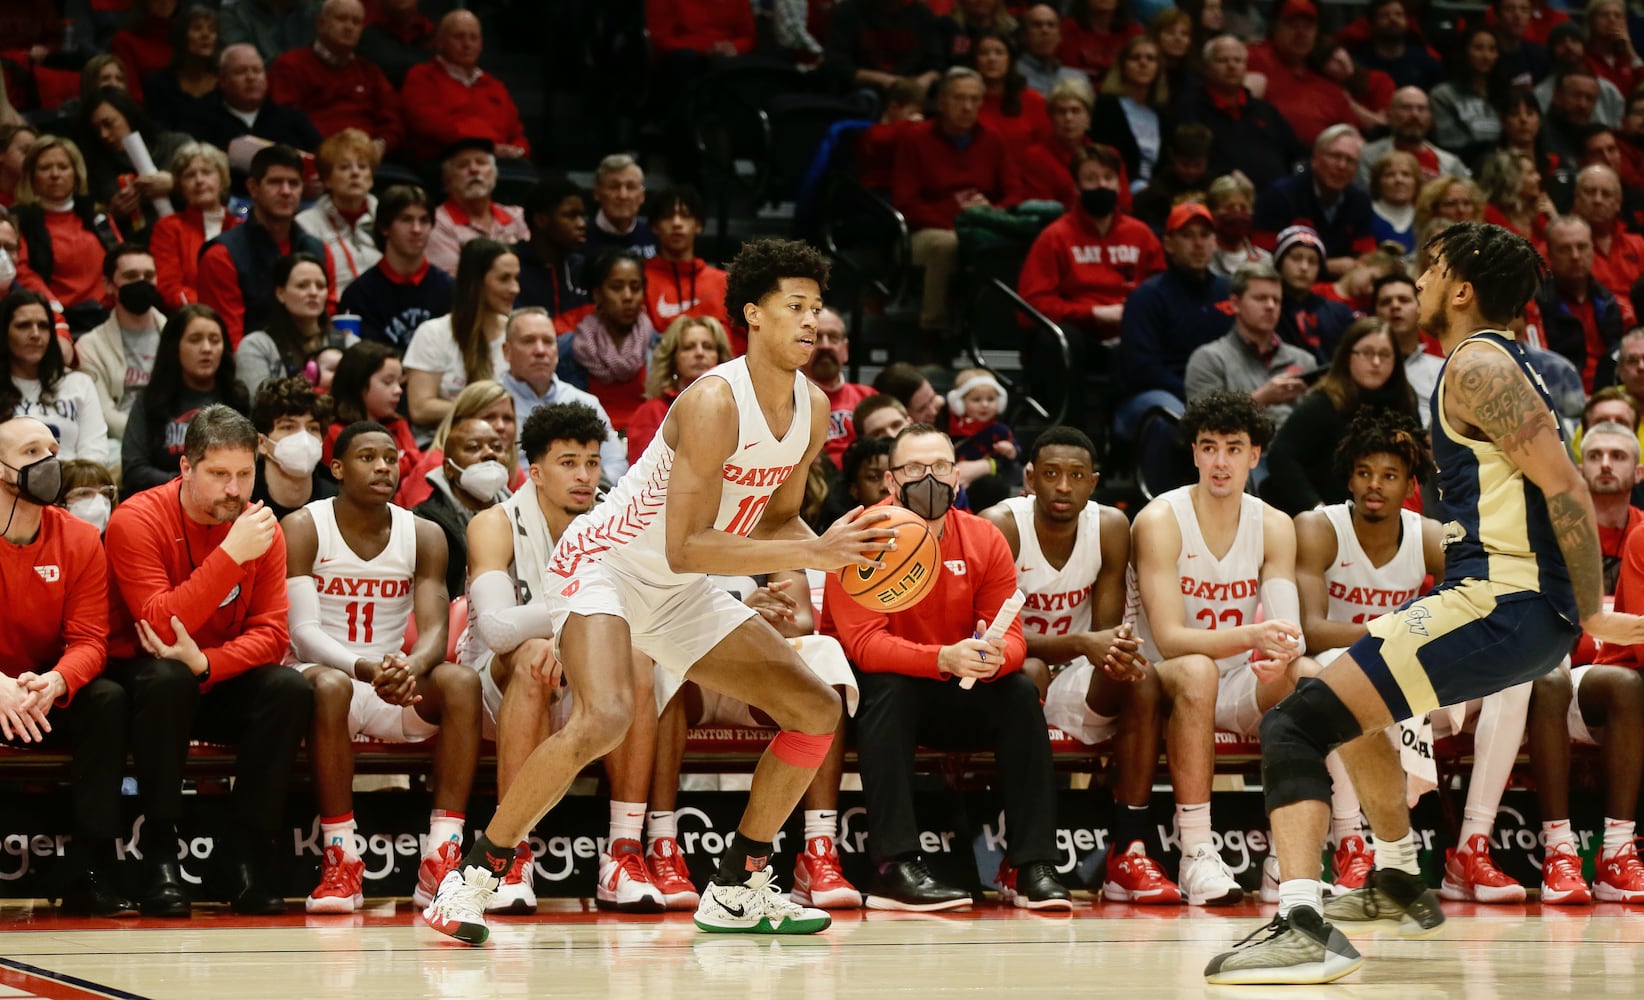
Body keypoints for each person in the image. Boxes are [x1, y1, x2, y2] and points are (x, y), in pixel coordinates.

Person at [1204, 221, 1644, 985]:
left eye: (1433, 268)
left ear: (1463, 288)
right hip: (1508, 602)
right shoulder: (1502, 364)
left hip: (1505, 599)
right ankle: (1399, 876)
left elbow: (1566, 486)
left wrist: (1591, 607)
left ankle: (1302, 921)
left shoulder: (1477, 364)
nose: (1423, 278)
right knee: (1351, 707)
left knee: (1294, 723)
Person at [419, 238, 894, 942]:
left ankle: (738, 884)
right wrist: (812, 553)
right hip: (605, 565)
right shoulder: (712, 402)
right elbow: (686, 542)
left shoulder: (814, 407)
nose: (811, 322)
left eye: (817, 308)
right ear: (752, 315)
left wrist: (846, 552)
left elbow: (779, 515)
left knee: (815, 710)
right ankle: (475, 875)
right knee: (606, 715)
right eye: (794, 307)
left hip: (682, 586)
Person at [820, 422, 1067, 912]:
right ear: (891, 481)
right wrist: (942, 657)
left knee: (1019, 692)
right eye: (914, 468)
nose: (927, 478)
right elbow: (866, 646)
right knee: (889, 687)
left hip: (956, 687)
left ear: (956, 478)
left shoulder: (983, 538)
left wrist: (994, 656)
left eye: (938, 467)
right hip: (877, 701)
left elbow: (1013, 637)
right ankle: (895, 866)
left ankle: (1029, 863)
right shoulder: (862, 537)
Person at [981, 426, 1211, 905]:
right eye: (1050, 474)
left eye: (1076, 475)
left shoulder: (1109, 527)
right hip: (1005, 674)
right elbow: (993, 638)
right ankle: (1014, 852)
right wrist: (1081, 643)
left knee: (1138, 679)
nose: (1063, 486)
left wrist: (1105, 650)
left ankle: (1128, 851)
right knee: (1027, 674)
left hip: (1073, 676)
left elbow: (1105, 637)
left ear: (1093, 482)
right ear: (1028, 479)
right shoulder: (1000, 525)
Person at [104, 404, 314, 917]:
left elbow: (271, 635)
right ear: (185, 468)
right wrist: (230, 556)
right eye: (219, 474)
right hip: (145, 681)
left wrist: (207, 664)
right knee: (166, 677)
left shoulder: (262, 527)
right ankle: (159, 853)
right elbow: (157, 625)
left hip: (210, 672)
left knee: (289, 689)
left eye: (245, 474)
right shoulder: (135, 518)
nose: (234, 490)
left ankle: (241, 855)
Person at [283, 419, 481, 914]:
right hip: (323, 679)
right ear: (337, 468)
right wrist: (364, 667)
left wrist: (410, 667)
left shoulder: (425, 534)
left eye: (390, 459)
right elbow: (303, 634)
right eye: (367, 457)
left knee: (461, 682)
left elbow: (437, 628)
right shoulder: (304, 526)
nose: (382, 467)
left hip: (391, 684)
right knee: (330, 686)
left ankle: (441, 857)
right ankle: (341, 859)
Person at [459, 401, 643, 913]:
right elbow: (498, 629)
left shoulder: (617, 521)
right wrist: (574, 627)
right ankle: (509, 856)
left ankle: (625, 854)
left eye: (591, 462)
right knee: (533, 653)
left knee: (642, 659)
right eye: (568, 463)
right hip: (500, 689)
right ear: (535, 473)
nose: (585, 476)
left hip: (590, 688)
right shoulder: (493, 523)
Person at [1131, 390, 1310, 909]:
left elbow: (1287, 626)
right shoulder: (1161, 519)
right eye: (1208, 447)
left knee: (1309, 677)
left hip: (1234, 681)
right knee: (1196, 670)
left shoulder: (1275, 524)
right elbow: (1169, 639)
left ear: (1255, 455)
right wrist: (1257, 637)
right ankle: (1196, 852)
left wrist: (1282, 650)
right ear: (1193, 453)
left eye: (1234, 448)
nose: (1220, 461)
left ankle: (1287, 860)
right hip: (1163, 680)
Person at [1289, 408, 1443, 897]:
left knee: (1515, 684)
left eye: (1390, 475)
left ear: (1409, 485)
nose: (1375, 485)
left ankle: (1476, 842)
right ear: (1349, 479)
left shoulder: (1430, 536)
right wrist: (1394, 634)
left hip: (1406, 675)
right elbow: (1312, 630)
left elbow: (1462, 621)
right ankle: (1350, 843)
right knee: (1338, 675)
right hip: (1343, 669)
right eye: (1364, 473)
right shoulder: (1318, 527)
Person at [648, 564, 862, 911]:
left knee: (825, 652)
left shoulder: (764, 518)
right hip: (691, 675)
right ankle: (661, 847)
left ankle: (818, 850)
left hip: (750, 677)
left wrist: (769, 621)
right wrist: (739, 617)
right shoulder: (673, 524)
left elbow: (802, 620)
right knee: (657, 662)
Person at [0, 416, 133, 917]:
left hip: (41, 695)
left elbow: (90, 641)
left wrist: (57, 680)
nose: (49, 462)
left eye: (52, 449)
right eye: (32, 451)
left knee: (107, 698)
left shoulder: (78, 539)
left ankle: (91, 869)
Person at [1527, 419, 1644, 905]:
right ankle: (1559, 850)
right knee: (1552, 675)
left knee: (1625, 683)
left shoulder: (1639, 531)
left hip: (1620, 680)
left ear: (1638, 471)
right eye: (1595, 455)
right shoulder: (1553, 530)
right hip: (1565, 670)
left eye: (1618, 456)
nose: (1605, 465)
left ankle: (1616, 854)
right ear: (1578, 467)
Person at [891, 67, 1022, 336]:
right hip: (925, 231)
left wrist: (991, 211)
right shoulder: (916, 139)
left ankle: (1000, 332)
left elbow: (1015, 194)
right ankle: (933, 330)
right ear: (941, 102)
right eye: (959, 98)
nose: (967, 106)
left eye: (974, 100)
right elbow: (906, 203)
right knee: (947, 244)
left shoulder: (993, 139)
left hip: (981, 223)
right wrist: (955, 220)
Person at [1019, 145, 1164, 361]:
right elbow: (1030, 308)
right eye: (1091, 179)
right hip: (1080, 336)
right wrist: (1094, 314)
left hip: (1133, 334)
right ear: (1077, 187)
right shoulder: (1055, 237)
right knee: (1056, 339)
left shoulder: (1141, 234)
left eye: (1108, 178)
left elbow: (1162, 292)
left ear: (1119, 184)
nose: (1101, 185)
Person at [1264, 318, 1422, 515]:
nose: (1375, 362)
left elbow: (1418, 457)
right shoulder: (1324, 402)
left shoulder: (1405, 398)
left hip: (1382, 513)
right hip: (1321, 513)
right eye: (1366, 353)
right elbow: (1280, 456)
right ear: (1348, 356)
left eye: (1384, 355)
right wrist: (1316, 508)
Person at [1114, 202, 1231, 439]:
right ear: (1168, 244)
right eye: (1187, 235)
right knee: (1173, 418)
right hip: (1156, 394)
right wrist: (1200, 394)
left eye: (1205, 235)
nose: (1198, 244)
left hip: (1221, 392)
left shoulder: (1229, 292)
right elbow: (1143, 369)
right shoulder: (1146, 297)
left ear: (1215, 242)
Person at [197, 144, 329, 347]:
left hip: (315, 366)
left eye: (293, 183)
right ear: (253, 187)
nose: (286, 191)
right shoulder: (222, 255)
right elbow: (227, 342)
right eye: (275, 182)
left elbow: (326, 324)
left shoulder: (318, 250)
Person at [122, 305, 248, 499]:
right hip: (163, 505)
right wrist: (192, 484)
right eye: (195, 340)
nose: (206, 348)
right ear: (175, 346)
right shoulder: (150, 400)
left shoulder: (238, 399)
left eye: (214, 340)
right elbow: (134, 470)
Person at [495, 307, 627, 477]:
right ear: (507, 351)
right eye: (528, 341)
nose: (540, 350)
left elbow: (615, 463)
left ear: (557, 351)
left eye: (548, 341)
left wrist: (586, 493)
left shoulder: (585, 403)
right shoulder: (488, 406)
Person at [403, 238, 516, 435]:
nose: (515, 288)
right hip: (443, 444)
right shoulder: (433, 333)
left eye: (516, 278)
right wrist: (484, 410)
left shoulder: (516, 332)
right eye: (504, 279)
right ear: (476, 283)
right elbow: (420, 408)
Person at [9, 135, 120, 333]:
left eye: (63, 167)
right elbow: (22, 272)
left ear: (76, 174)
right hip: (58, 320)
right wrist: (53, 311)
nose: (55, 174)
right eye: (45, 168)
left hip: (112, 316)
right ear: (31, 176)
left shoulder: (97, 215)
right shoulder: (21, 220)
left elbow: (122, 260)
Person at [1186, 263, 1315, 430]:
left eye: (1276, 300)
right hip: (1238, 453)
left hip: (1294, 453)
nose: (1270, 306)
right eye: (1261, 298)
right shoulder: (1209, 359)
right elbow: (1202, 426)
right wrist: (1261, 399)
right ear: (1235, 304)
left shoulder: (1304, 360)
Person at [268, 0, 404, 155]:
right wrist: (324, 150)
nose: (349, 27)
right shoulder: (291, 65)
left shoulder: (369, 72)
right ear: (320, 23)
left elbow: (393, 120)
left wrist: (381, 145)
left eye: (356, 22)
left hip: (367, 160)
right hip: (314, 158)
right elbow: (283, 121)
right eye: (341, 19)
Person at [1171, 35, 1304, 193]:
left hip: (1276, 199)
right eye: (1222, 60)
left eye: (1237, 60)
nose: (1231, 66)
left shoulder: (1266, 111)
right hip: (1219, 197)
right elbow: (1187, 162)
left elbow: (1296, 153)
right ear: (1206, 68)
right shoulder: (1189, 109)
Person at [400, 10, 531, 165]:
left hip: (498, 162)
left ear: (481, 44)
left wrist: (518, 149)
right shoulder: (422, 76)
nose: (467, 45)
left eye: (473, 38)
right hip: (446, 159)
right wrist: (487, 146)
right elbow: (429, 125)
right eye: (459, 37)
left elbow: (517, 133)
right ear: (440, 41)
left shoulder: (494, 86)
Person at [412, 398, 510, 600]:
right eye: (474, 447)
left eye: (497, 447)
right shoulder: (422, 522)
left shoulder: (523, 515)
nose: (489, 454)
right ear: (448, 468)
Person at [337, 184, 452, 351]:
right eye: (406, 219)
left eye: (424, 220)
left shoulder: (449, 289)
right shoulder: (359, 294)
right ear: (385, 227)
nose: (417, 229)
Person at [76, 244, 165, 458]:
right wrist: (148, 437)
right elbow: (103, 414)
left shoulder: (177, 334)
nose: (142, 282)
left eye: (149, 275)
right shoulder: (89, 347)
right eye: (131, 276)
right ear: (108, 285)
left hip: (173, 437)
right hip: (117, 442)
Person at [1, 290, 108, 465]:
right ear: (4, 333)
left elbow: (95, 455)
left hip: (73, 486)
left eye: (43, 326)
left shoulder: (79, 384)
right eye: (23, 325)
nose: (35, 334)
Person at [555, 250, 657, 432]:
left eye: (635, 287)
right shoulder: (569, 348)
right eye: (616, 287)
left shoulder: (659, 347)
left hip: (647, 442)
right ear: (597, 294)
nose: (627, 296)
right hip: (588, 438)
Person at [1256, 125, 1375, 276]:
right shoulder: (1279, 196)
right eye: (1335, 156)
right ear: (1315, 158)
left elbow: (1366, 258)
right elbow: (1264, 258)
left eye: (1350, 160)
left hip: (1343, 288)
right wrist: (1327, 266)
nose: (1341, 166)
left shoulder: (1360, 201)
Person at [76, 86, 189, 242]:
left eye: (109, 124)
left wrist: (176, 185)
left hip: (191, 235)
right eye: (97, 130)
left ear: (128, 115)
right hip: (139, 247)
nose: (103, 135)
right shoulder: (96, 167)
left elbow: (221, 192)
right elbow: (90, 224)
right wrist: (112, 214)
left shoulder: (176, 145)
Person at [237, 252, 353, 400]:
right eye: (302, 286)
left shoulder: (349, 343)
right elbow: (258, 406)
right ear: (280, 293)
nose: (313, 292)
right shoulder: (256, 346)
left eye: (320, 286)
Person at [626, 314, 733, 464]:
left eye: (708, 347)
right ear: (673, 359)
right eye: (688, 347)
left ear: (720, 357)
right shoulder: (652, 412)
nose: (700, 353)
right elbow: (646, 473)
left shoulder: (738, 409)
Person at [148, 142, 238, 312]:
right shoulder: (168, 228)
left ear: (222, 178)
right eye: (189, 175)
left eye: (207, 172)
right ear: (180, 186)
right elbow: (168, 287)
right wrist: (211, 309)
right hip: (191, 317)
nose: (199, 180)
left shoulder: (240, 225)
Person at [187, 44, 323, 156]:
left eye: (257, 71)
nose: (251, 78)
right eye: (241, 71)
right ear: (222, 80)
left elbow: (322, 156)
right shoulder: (201, 118)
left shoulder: (292, 119)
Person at [293, 129, 380, 296]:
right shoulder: (306, 224)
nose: (355, 173)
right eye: (344, 167)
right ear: (327, 179)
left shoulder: (389, 218)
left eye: (362, 166)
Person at [425, 139, 529, 276]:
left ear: (495, 174)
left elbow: (533, 272)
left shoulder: (518, 216)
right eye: (463, 165)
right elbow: (456, 283)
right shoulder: (436, 223)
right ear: (447, 179)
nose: (474, 170)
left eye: (481, 162)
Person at [323, 341, 419, 476]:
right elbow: (366, 478)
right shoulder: (334, 434)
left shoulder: (398, 424)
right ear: (358, 383)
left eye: (399, 382)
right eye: (388, 382)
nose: (398, 390)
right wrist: (411, 460)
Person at [641, 187, 727, 333]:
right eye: (668, 216)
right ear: (655, 227)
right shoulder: (639, 279)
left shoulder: (724, 283)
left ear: (699, 225)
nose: (676, 223)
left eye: (685, 216)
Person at [250, 375, 335, 520]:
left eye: (312, 428)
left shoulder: (336, 501)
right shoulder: (242, 500)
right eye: (288, 427)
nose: (304, 439)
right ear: (262, 442)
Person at [1090, 34, 1168, 191]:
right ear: (1123, 66)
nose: (1143, 63)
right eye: (1135, 58)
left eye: (1150, 59)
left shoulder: (1162, 114)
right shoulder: (1107, 106)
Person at [800, 308, 874, 469]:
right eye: (816, 337)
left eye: (833, 338)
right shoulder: (784, 400)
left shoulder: (869, 397)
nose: (825, 346)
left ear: (846, 350)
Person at [1271, 226, 1357, 362]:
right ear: (1279, 263)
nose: (1304, 267)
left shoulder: (1338, 313)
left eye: (1312, 261)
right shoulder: (1268, 308)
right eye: (1296, 258)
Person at [512, 174, 588, 324]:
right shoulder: (512, 268)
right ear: (541, 220)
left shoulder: (584, 269)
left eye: (582, 216)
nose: (582, 224)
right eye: (571, 216)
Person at [1429, 25, 1509, 166]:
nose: (1486, 56)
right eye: (1479, 48)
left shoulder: (1505, 94)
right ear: (1464, 52)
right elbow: (1448, 143)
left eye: (1492, 49)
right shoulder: (1443, 95)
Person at [142, 4, 222, 133]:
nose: (206, 35)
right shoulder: (159, 84)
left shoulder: (225, 83)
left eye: (212, 30)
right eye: (197, 28)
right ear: (182, 36)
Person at [584, 153, 657, 260]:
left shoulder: (656, 234)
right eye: (614, 187)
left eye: (631, 187)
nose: (623, 195)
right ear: (597, 193)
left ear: (642, 196)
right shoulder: (579, 236)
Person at [1479, 148, 1553, 240]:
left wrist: (1555, 218)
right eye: (1531, 173)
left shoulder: (1539, 210)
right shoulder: (1488, 215)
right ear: (1512, 181)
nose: (1539, 177)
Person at [1207, 174, 1271, 278]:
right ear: (1212, 213)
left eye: (1243, 208)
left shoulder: (1265, 260)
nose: (1238, 213)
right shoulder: (1203, 258)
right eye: (1229, 207)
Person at [1018, 4, 1087, 97]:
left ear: (1059, 36)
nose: (1045, 30)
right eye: (1037, 25)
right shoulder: (1011, 75)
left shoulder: (1077, 78)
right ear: (1024, 35)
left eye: (1051, 25)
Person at [1368, 150, 1422, 252]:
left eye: (1406, 174)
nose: (1399, 180)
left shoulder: (1424, 218)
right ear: (1377, 182)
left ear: (1417, 182)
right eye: (1390, 175)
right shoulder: (1364, 215)